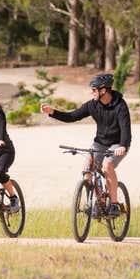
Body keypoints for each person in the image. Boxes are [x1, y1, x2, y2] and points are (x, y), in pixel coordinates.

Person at [40, 73, 131, 215]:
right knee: (87, 169)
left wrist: (123, 146)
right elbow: (72, 116)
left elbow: (126, 128)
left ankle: (113, 204)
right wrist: (52, 112)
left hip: (118, 143)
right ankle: (95, 202)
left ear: (104, 90)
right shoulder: (92, 105)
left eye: (94, 90)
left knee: (107, 166)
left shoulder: (120, 105)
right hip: (99, 143)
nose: (92, 92)